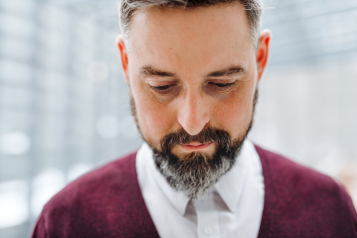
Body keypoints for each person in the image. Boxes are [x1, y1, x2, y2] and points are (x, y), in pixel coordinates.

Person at [31, 0, 357, 237]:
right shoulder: (66, 223)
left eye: (222, 84)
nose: (192, 122)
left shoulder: (330, 211)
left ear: (260, 58)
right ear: (126, 64)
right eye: (162, 86)